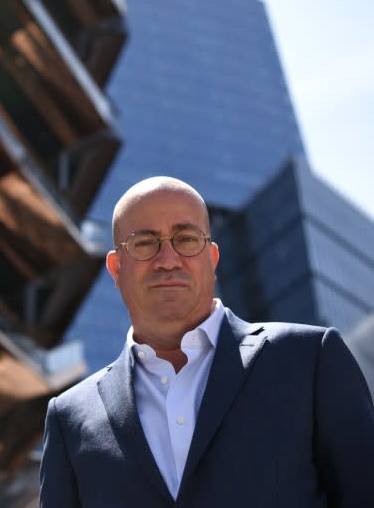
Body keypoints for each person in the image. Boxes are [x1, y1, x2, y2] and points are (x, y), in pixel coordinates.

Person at [39, 176, 374, 507]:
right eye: (144, 243)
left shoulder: (308, 358)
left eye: (185, 239)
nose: (167, 260)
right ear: (115, 267)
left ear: (212, 259)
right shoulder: (68, 418)